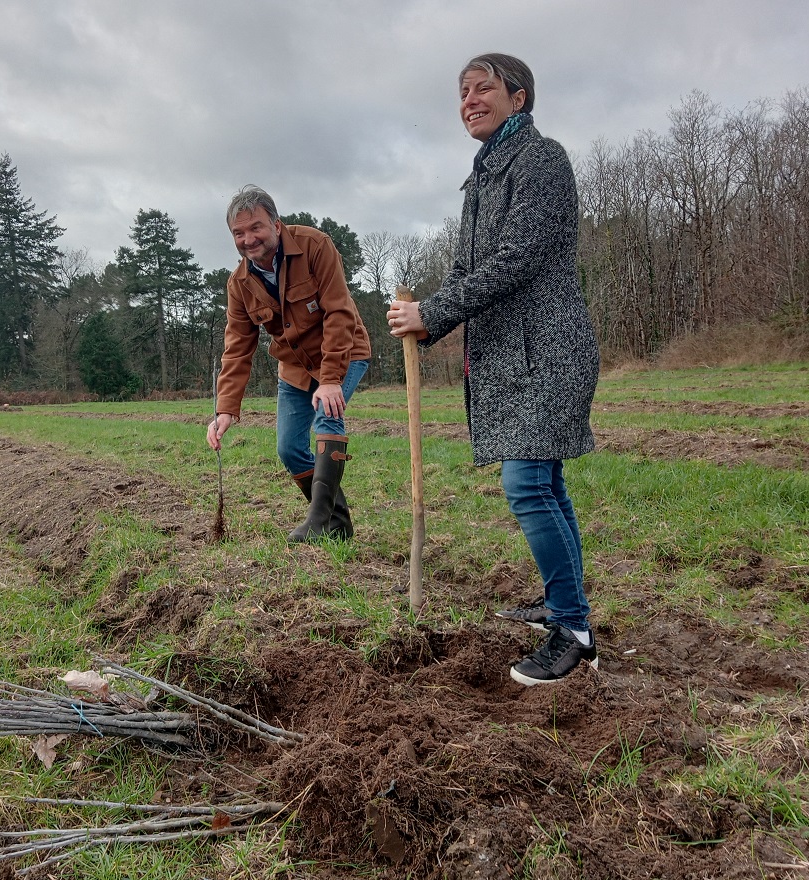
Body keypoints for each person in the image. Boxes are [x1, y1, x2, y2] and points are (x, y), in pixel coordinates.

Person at [387, 54, 600, 686]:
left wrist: (435, 309)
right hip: (509, 357)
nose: (471, 100)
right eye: (462, 92)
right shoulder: (481, 178)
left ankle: (573, 631)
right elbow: (465, 273)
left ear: (519, 98)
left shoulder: (540, 159)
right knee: (546, 484)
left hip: (547, 352)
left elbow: (517, 259)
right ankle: (564, 606)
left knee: (526, 485)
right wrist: (428, 322)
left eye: (484, 89)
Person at [208, 185, 371, 542]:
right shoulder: (239, 285)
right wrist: (225, 409)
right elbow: (237, 348)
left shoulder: (315, 246)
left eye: (256, 228)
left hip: (343, 351)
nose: (248, 239)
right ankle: (337, 522)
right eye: (239, 233)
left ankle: (316, 522)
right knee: (288, 447)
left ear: (276, 225)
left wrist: (330, 379)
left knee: (328, 413)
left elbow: (339, 313)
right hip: (295, 368)